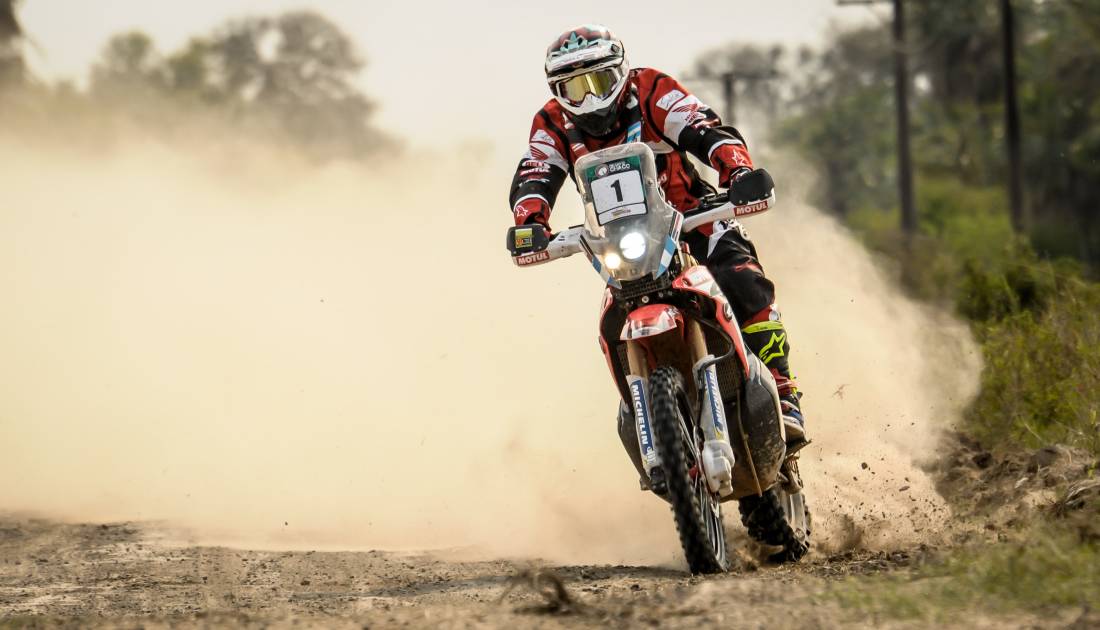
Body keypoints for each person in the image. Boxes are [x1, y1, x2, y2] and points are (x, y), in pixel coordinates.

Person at [509, 24, 806, 443]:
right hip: (617, 241)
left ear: (622, 71)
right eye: (574, 88)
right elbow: (535, 172)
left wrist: (736, 169)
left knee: (743, 277)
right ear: (557, 91)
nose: (590, 97)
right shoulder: (551, 122)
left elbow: (705, 128)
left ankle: (783, 388)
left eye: (600, 81)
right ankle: (647, 416)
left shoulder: (651, 89)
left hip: (691, 218)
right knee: (610, 316)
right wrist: (530, 224)